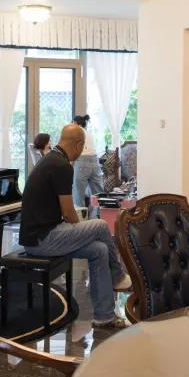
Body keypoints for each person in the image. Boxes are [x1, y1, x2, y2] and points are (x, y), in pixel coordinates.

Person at [19, 123, 131, 328]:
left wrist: (80, 232)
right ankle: (117, 276)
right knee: (100, 226)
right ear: (78, 144)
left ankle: (104, 316)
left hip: (39, 236)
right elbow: (69, 214)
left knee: (99, 249)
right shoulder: (61, 166)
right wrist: (82, 231)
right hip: (42, 239)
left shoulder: (50, 160)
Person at [71, 114, 103, 212]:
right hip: (95, 160)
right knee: (98, 194)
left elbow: (73, 150)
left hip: (82, 161)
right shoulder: (88, 133)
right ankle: (100, 216)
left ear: (75, 123)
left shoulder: (76, 132)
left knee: (78, 193)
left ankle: (80, 218)